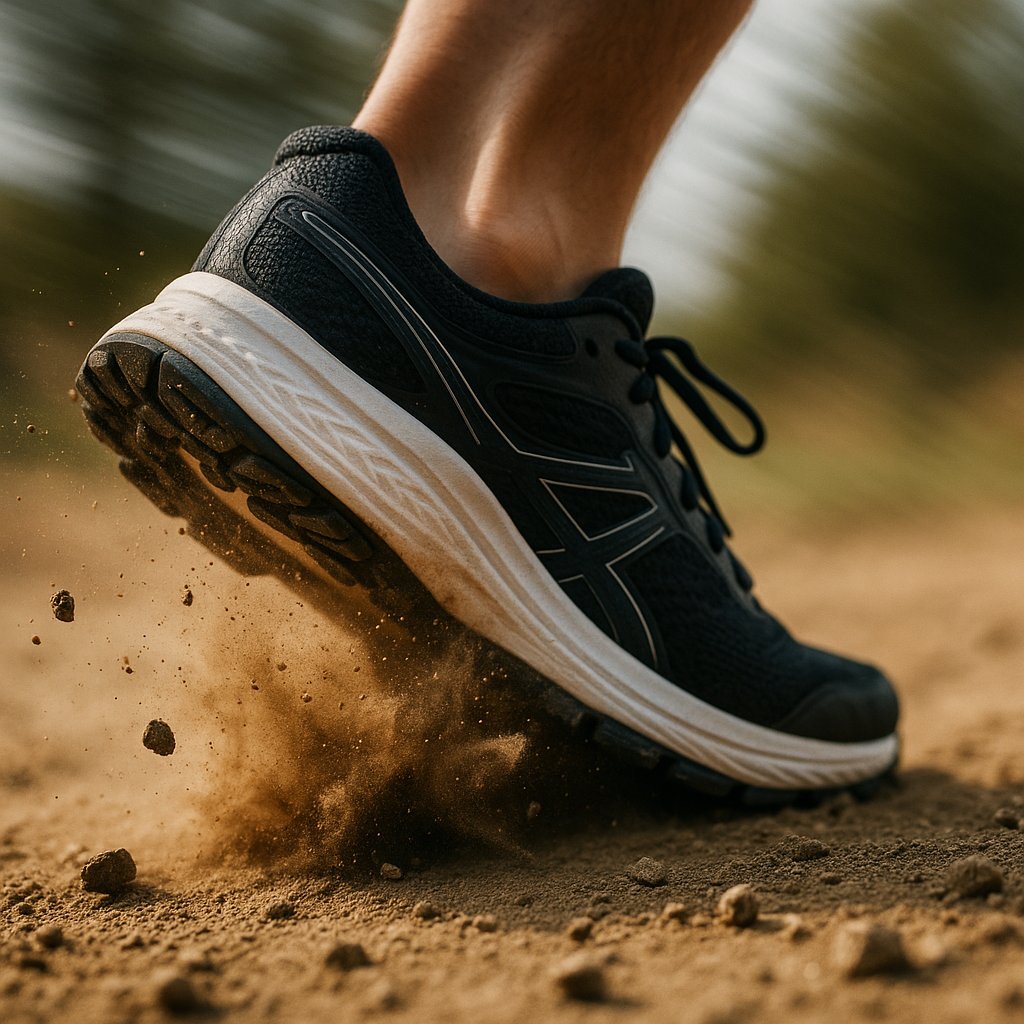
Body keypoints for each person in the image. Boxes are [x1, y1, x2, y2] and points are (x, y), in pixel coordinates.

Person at [75, 0, 898, 799]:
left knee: (448, 179)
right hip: (461, 329)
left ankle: (362, 247)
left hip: (327, 251)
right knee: (521, 241)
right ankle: (519, 279)